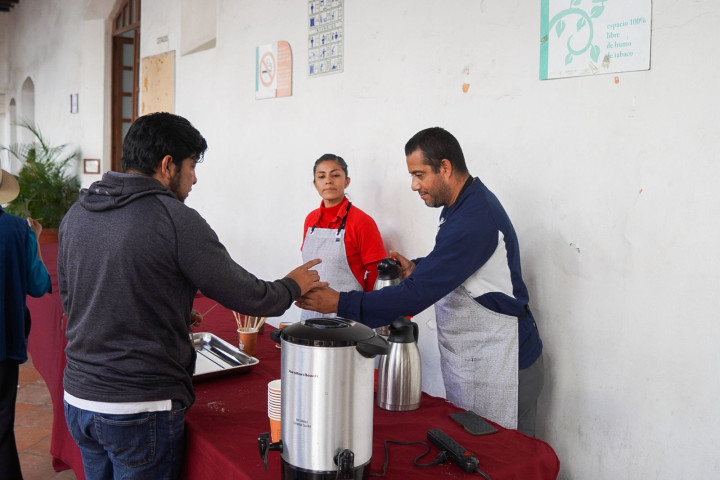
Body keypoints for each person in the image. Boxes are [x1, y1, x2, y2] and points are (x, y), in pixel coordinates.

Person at [57, 112, 326, 480]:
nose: (195, 177)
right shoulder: (173, 218)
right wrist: (293, 285)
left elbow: (76, 302)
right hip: (139, 406)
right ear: (167, 165)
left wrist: (168, 310)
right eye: (192, 165)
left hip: (79, 399)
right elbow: (251, 297)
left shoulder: (78, 213)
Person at [297, 127, 545, 436]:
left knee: (508, 460)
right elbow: (455, 262)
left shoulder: (474, 218)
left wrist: (339, 302)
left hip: (506, 364)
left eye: (419, 174)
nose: (414, 185)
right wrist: (418, 267)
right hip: (480, 360)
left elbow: (415, 295)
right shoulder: (464, 204)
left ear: (444, 167)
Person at [0, 168, 52, 480]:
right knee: (2, 422)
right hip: (4, 340)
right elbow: (38, 284)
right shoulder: (18, 229)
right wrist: (33, 239)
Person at [299, 153, 386, 320]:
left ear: (347, 181)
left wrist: (365, 311)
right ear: (315, 184)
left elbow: (377, 273)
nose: (328, 180)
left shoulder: (362, 222)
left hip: (347, 317)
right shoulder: (310, 220)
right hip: (310, 315)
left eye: (335, 175)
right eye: (321, 176)